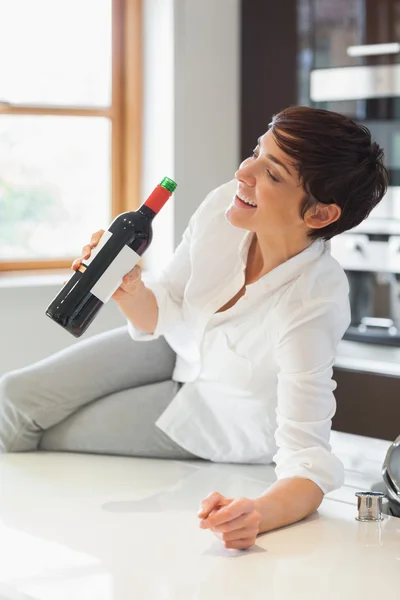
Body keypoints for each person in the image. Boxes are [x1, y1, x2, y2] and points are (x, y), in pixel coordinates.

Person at [0, 106, 388, 550]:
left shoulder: (312, 305)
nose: (245, 171)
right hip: (178, 343)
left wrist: (257, 515)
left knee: (44, 435)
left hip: (212, 415)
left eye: (273, 174)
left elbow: (309, 461)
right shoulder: (225, 206)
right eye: (256, 153)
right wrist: (128, 289)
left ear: (319, 215)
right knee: (14, 397)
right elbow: (165, 308)